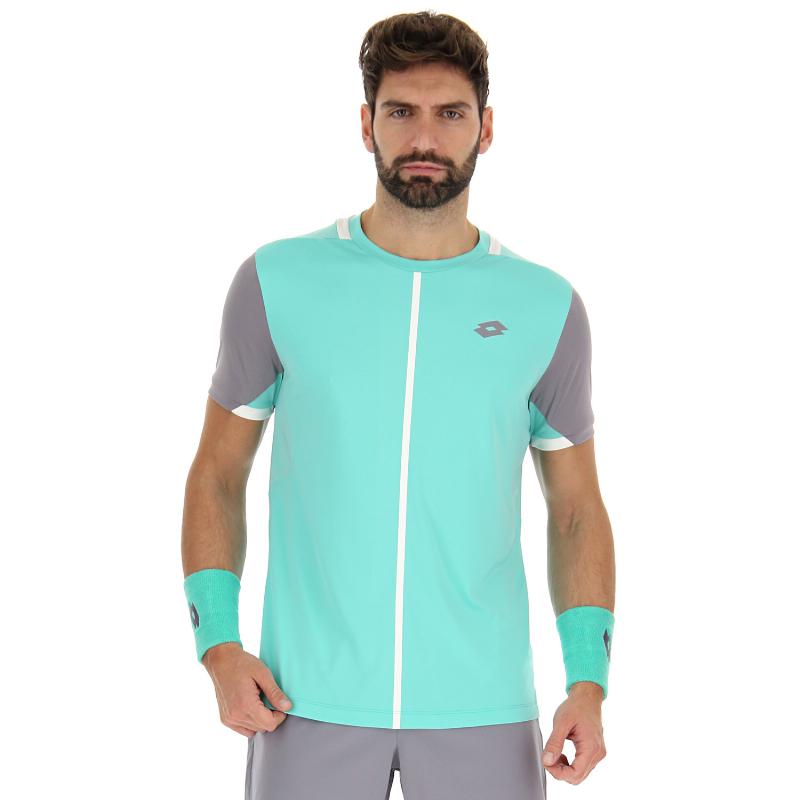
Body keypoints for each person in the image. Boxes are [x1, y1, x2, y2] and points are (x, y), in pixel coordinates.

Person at [181, 10, 616, 799]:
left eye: (449, 113)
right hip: (302, 701)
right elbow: (217, 472)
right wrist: (219, 645)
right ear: (366, 124)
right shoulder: (276, 281)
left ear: (486, 129)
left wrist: (587, 683)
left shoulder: (546, 305)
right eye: (400, 112)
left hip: (483, 706)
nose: (424, 137)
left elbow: (576, 510)